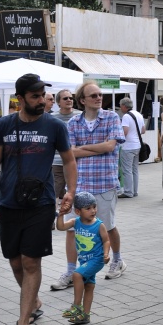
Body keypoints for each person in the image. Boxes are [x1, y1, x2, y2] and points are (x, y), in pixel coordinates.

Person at [0, 73, 76, 325]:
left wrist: (69, 191)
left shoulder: (55, 126)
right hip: (10, 202)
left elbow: (69, 161)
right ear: (20, 98)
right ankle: (33, 300)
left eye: (42, 96)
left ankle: (24, 321)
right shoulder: (4, 125)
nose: (41, 101)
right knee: (14, 261)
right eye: (34, 96)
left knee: (31, 261)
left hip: (42, 202)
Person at [68, 83, 127, 281]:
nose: (99, 98)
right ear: (82, 100)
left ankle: (117, 260)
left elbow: (110, 146)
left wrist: (82, 149)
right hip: (80, 184)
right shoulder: (74, 123)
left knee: (108, 226)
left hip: (104, 183)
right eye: (93, 95)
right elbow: (70, 152)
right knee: (73, 228)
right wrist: (97, 148)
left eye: (100, 94)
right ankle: (70, 271)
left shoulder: (111, 117)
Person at [55, 191, 109, 325]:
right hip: (85, 261)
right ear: (78, 212)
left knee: (77, 275)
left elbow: (106, 240)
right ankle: (85, 315)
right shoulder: (76, 222)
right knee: (89, 286)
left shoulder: (99, 225)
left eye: (94, 207)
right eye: (88, 208)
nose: (93, 211)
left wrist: (106, 254)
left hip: (96, 260)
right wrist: (61, 214)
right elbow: (60, 227)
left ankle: (76, 306)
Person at [49, 89, 83, 291]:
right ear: (59, 102)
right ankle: (54, 220)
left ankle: (67, 219)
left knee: (72, 196)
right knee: (54, 193)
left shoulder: (79, 116)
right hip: (55, 162)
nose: (69, 101)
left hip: (75, 162)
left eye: (71, 98)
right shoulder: (53, 119)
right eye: (65, 98)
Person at [117, 97, 145, 198]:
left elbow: (125, 131)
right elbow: (143, 130)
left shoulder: (126, 117)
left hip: (128, 146)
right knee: (135, 169)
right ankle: (135, 191)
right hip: (137, 145)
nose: (120, 109)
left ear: (124, 106)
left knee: (126, 170)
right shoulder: (139, 114)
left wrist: (117, 140)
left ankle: (128, 191)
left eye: (121, 107)